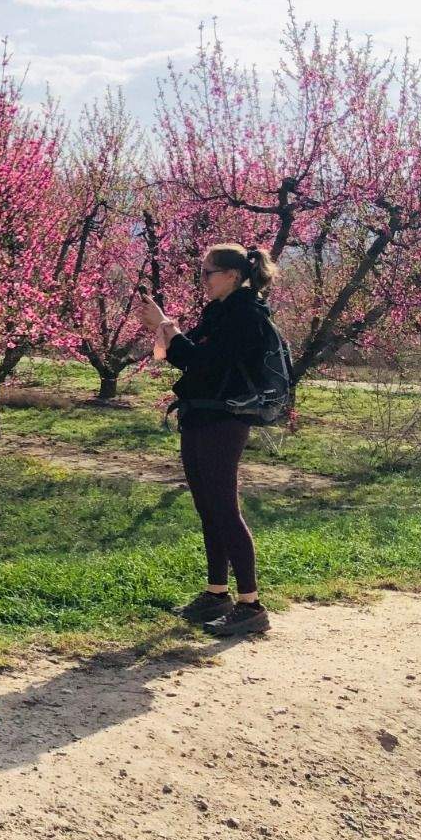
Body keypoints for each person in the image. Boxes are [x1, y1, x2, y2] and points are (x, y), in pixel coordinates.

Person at [136, 244, 281, 637]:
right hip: (200, 413)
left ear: (232, 275)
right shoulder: (219, 312)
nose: (202, 281)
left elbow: (201, 361)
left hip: (224, 419)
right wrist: (163, 325)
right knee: (207, 507)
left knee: (224, 508)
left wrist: (166, 325)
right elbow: (179, 353)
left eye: (207, 273)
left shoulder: (246, 316)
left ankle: (250, 604)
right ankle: (217, 593)